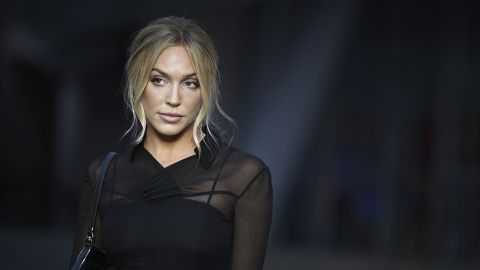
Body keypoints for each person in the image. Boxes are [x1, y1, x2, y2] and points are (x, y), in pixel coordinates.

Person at [70, 16, 273, 270]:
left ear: (205, 91)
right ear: (138, 82)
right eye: (159, 80)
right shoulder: (103, 174)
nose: (174, 99)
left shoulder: (243, 177)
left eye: (190, 83)